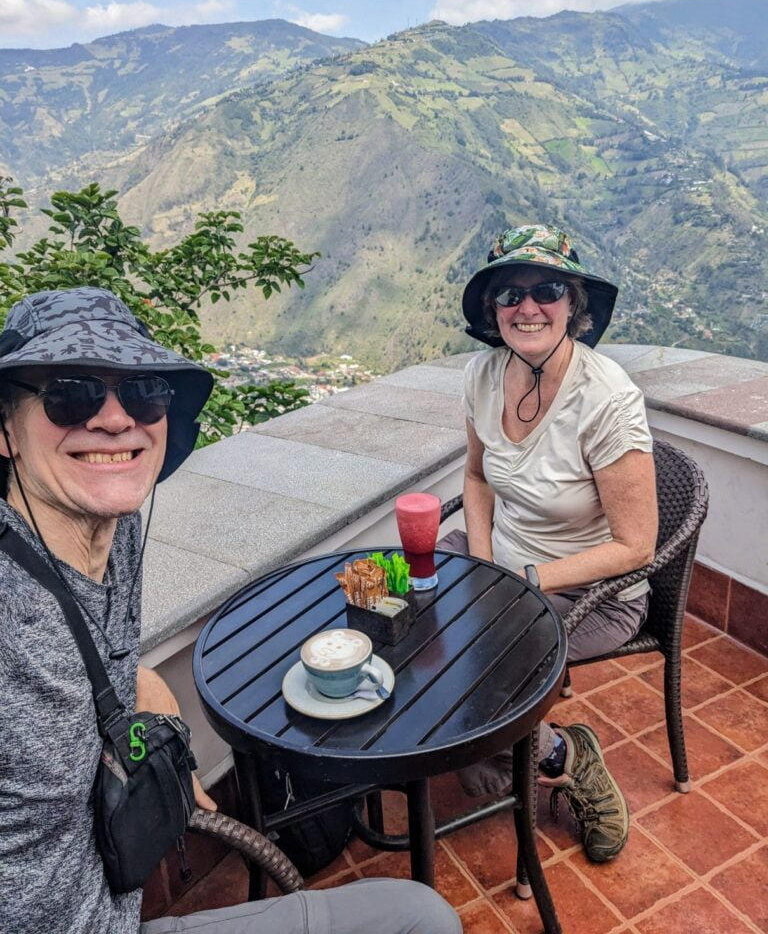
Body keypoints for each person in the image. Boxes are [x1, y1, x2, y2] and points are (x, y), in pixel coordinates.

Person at [0, 287, 461, 934]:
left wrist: (171, 748)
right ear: (5, 429)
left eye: (144, 393)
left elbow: (112, 662)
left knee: (422, 915)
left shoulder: (115, 531)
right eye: (70, 394)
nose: (113, 420)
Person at [445, 224, 657, 863]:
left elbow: (637, 545)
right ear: (493, 310)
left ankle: (567, 754)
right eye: (510, 293)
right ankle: (492, 742)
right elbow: (478, 476)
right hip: (501, 566)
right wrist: (483, 562)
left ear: (574, 305)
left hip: (593, 589)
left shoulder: (607, 400)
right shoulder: (484, 375)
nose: (527, 306)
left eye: (546, 289)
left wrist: (525, 582)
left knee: (473, 659)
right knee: (413, 618)